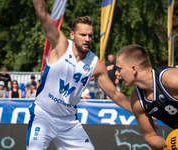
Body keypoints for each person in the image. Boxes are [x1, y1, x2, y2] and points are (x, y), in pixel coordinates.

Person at [27, 1, 132, 149]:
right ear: (73, 34)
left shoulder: (95, 63)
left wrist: (138, 113)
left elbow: (115, 94)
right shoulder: (61, 44)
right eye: (83, 35)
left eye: (90, 35)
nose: (87, 39)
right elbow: (43, 15)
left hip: (68, 122)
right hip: (43, 115)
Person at [116, 44, 178, 150]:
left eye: (119, 69)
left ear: (133, 69)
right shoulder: (137, 100)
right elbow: (150, 136)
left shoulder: (172, 79)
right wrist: (168, 146)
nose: (117, 73)